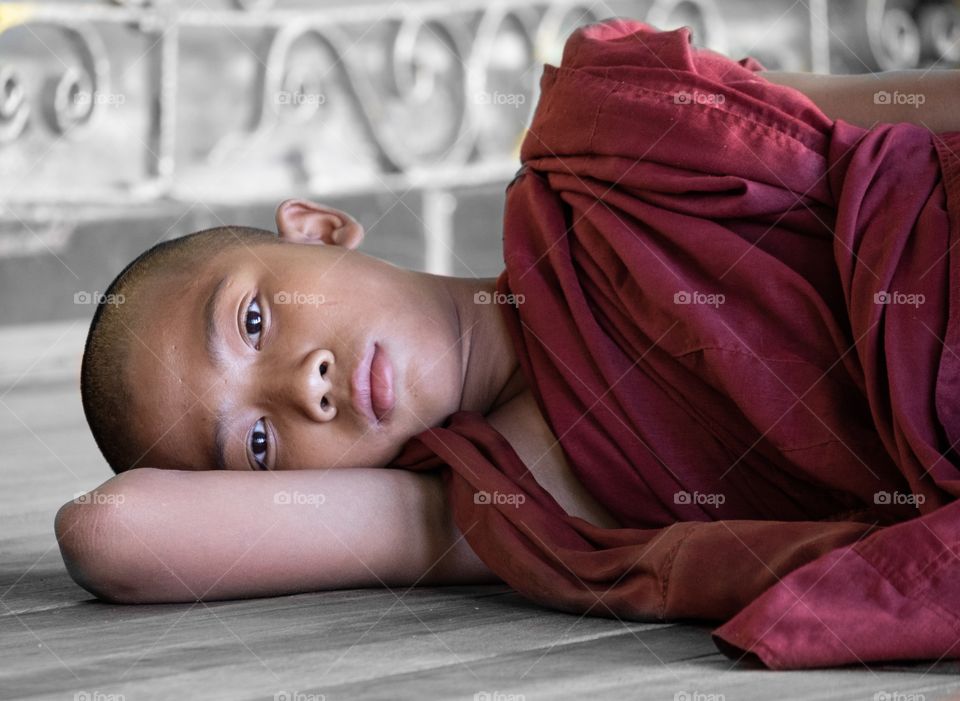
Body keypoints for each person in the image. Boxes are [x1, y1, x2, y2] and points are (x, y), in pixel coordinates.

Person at [56, 18, 960, 669]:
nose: (308, 388)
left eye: (254, 320)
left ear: (319, 230)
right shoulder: (508, 503)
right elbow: (112, 531)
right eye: (257, 443)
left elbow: (912, 110)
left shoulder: (599, 126)